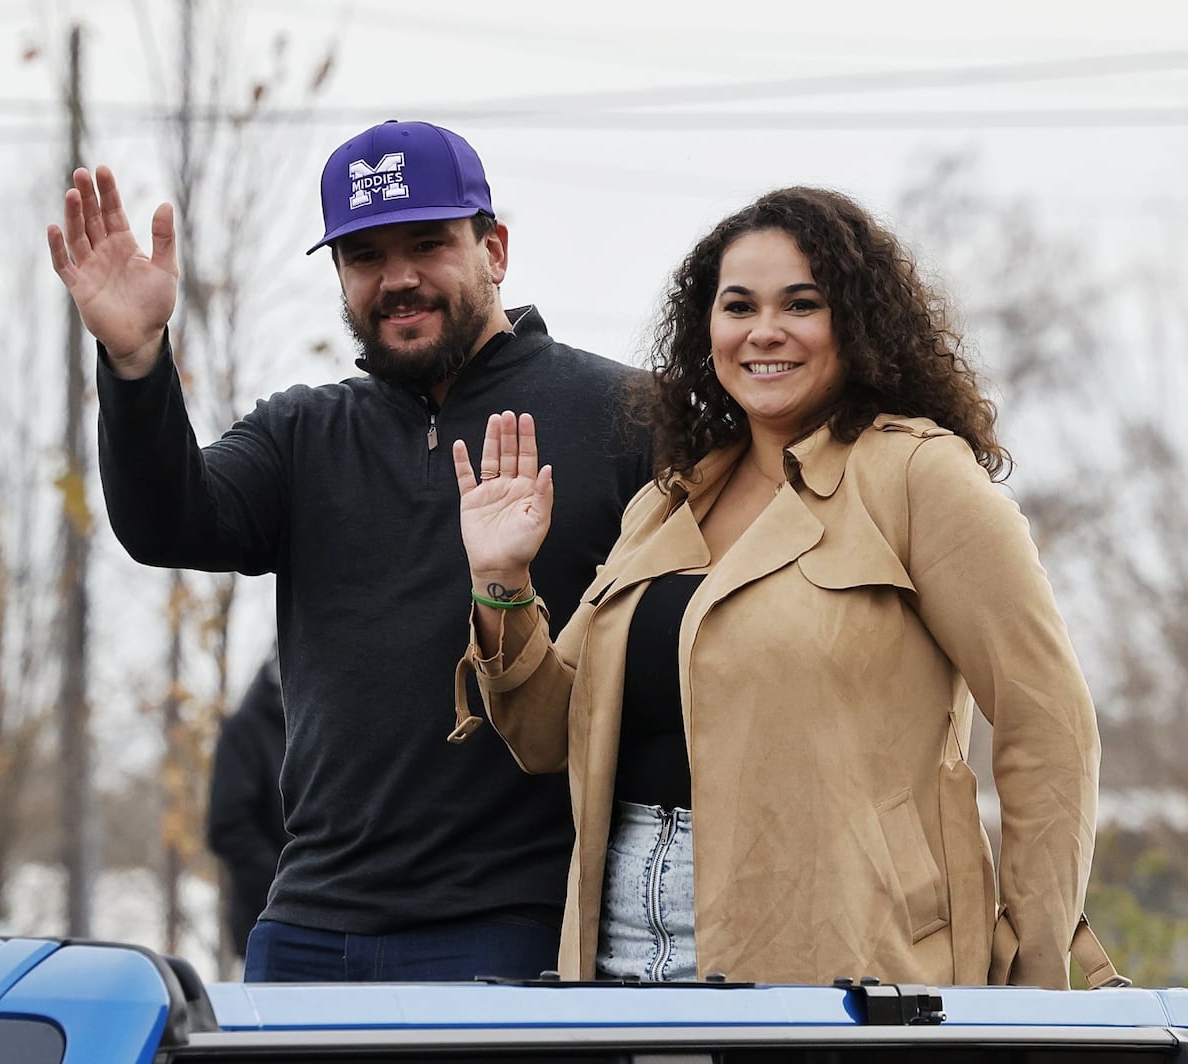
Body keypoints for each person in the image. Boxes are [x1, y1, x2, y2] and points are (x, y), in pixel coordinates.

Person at [450, 186, 1110, 989]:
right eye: (739, 306)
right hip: (621, 955)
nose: (765, 331)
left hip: (843, 961)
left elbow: (1049, 723)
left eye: (802, 304)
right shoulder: (667, 501)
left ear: (857, 324)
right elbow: (550, 736)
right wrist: (503, 581)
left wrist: (1033, 971)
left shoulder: (918, 476)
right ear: (709, 331)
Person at [46, 120, 651, 981]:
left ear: (495, 249)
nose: (397, 278)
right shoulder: (303, 433)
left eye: (428, 244)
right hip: (309, 925)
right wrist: (136, 360)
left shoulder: (627, 417)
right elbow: (168, 523)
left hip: (515, 925)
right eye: (364, 254)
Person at [206, 653, 289, 961]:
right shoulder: (245, 730)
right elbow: (227, 826)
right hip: (267, 919)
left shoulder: (329, 728)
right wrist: (284, 882)